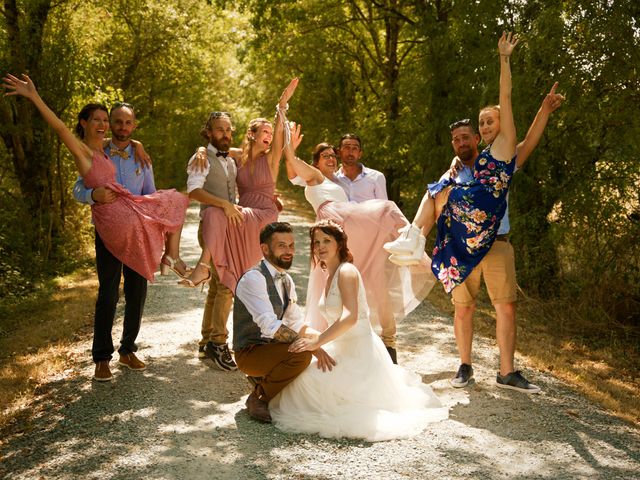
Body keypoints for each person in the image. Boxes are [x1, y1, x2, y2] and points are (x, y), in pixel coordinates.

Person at [3, 73, 188, 381]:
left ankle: (128, 349)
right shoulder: (86, 152)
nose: (106, 125)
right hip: (109, 232)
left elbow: (149, 193)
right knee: (108, 294)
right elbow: (61, 130)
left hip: (138, 231)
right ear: (85, 124)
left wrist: (138, 147)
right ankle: (101, 356)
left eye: (108, 120)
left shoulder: (124, 152)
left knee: (138, 290)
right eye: (101, 120)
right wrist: (33, 97)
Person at [269, 220, 447, 441]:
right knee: (301, 374)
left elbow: (350, 316)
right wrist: (310, 338)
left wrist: (318, 342)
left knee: (307, 384)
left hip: (359, 353)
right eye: (316, 242)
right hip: (341, 347)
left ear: (339, 243)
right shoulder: (329, 274)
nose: (320, 247)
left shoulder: (347, 271)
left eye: (326, 241)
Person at [283, 132, 435, 364]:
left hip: (365, 235)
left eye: (333, 155)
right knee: (329, 286)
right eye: (326, 156)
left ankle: (411, 244)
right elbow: (293, 170)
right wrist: (288, 145)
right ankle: (325, 341)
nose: (332, 159)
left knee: (376, 285)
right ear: (316, 162)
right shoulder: (315, 176)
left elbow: (377, 208)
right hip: (339, 229)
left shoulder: (354, 179)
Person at [181, 79, 298, 370]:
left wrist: (280, 108)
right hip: (232, 220)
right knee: (223, 283)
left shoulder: (270, 158)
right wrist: (199, 148)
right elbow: (213, 152)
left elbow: (280, 137)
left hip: (253, 219)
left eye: (272, 133)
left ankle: (214, 339)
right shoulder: (237, 157)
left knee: (227, 282)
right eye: (264, 133)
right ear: (251, 135)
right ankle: (212, 342)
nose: (270, 136)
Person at [233, 222, 335, 423]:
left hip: (273, 349)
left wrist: (321, 338)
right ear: (265, 249)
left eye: (291, 245)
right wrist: (311, 346)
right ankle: (259, 396)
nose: (289, 251)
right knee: (303, 355)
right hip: (250, 352)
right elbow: (270, 326)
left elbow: (296, 322)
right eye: (281, 245)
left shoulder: (286, 279)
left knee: (326, 347)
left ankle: (266, 378)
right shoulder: (253, 278)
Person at [334, 133, 388, 201]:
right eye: (347, 147)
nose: (350, 152)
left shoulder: (376, 177)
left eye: (355, 148)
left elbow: (384, 207)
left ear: (360, 154)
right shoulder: (333, 180)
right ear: (339, 152)